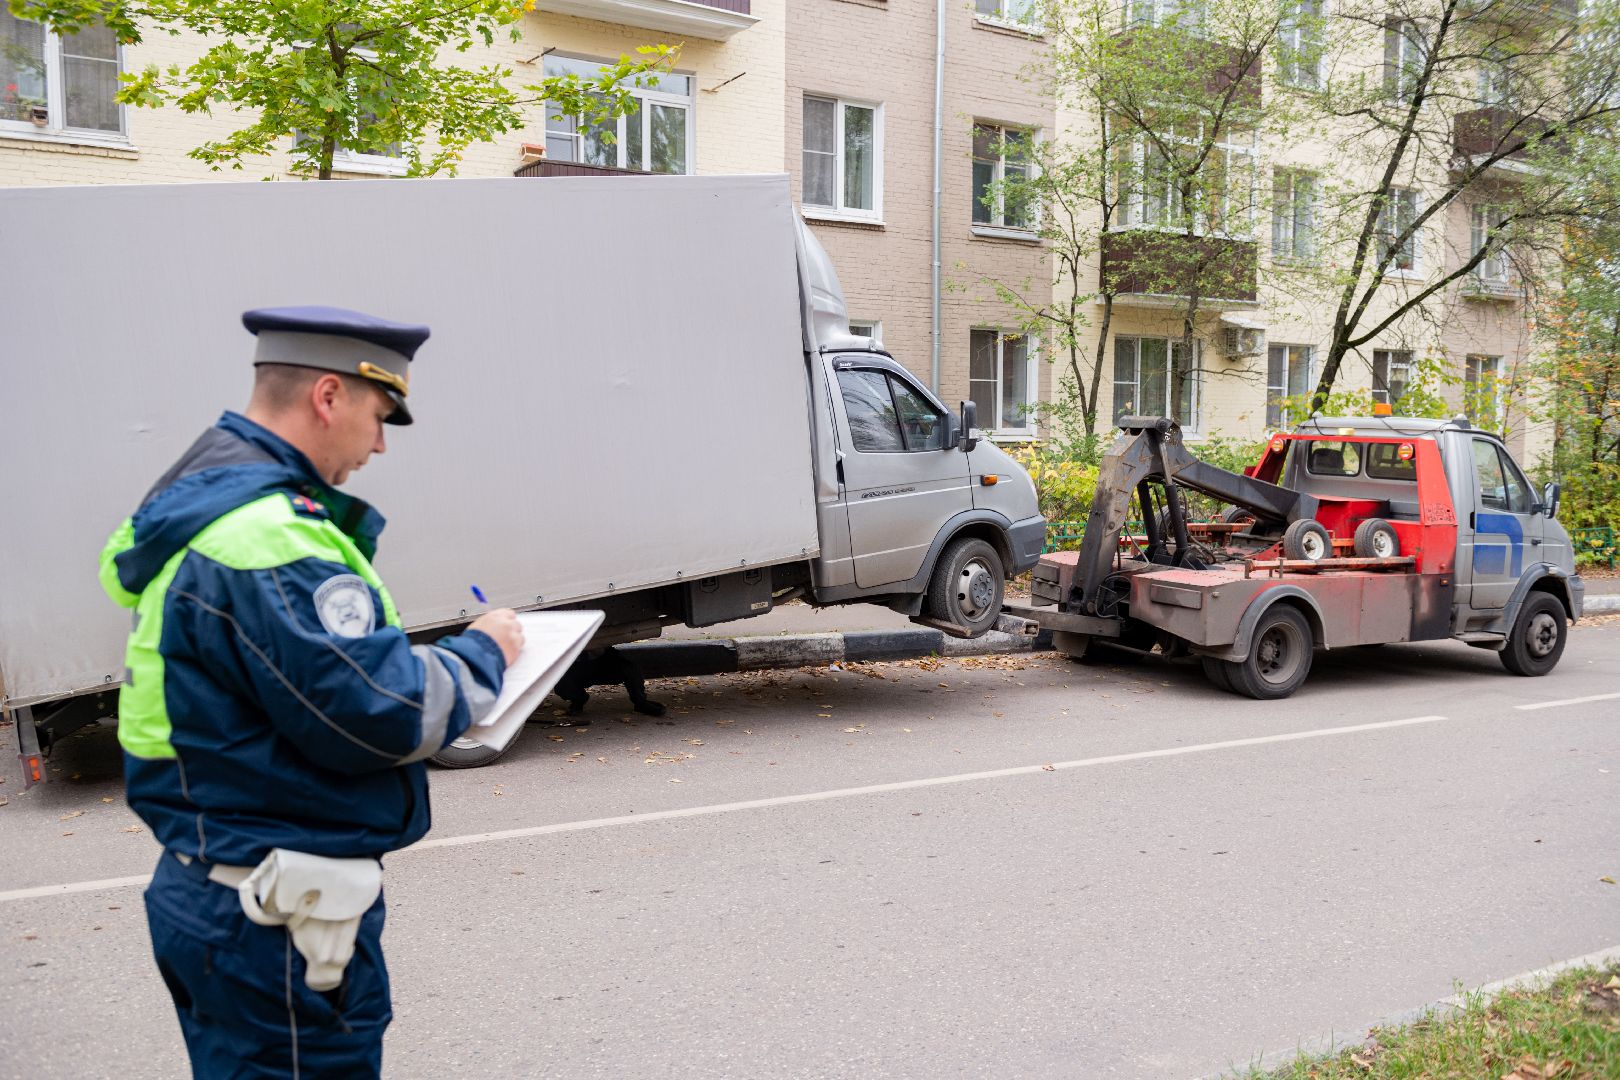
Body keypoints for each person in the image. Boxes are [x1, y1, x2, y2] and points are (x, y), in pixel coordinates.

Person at [98, 305, 524, 1078]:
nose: (381, 442)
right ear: (328, 397)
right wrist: (485, 654)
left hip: (222, 888)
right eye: (379, 413)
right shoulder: (269, 536)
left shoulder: (205, 497)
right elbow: (384, 713)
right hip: (278, 920)